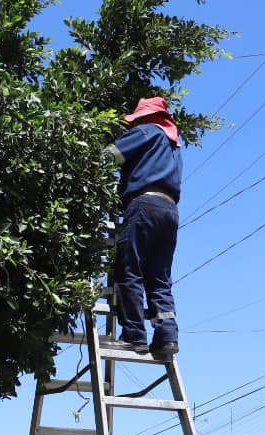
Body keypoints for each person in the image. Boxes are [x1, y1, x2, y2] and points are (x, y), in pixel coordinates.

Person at [110, 96, 183, 360]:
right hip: (169, 210)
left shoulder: (146, 131)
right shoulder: (173, 145)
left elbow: (111, 154)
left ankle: (133, 336)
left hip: (143, 205)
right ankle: (166, 338)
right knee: (159, 277)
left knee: (129, 269)